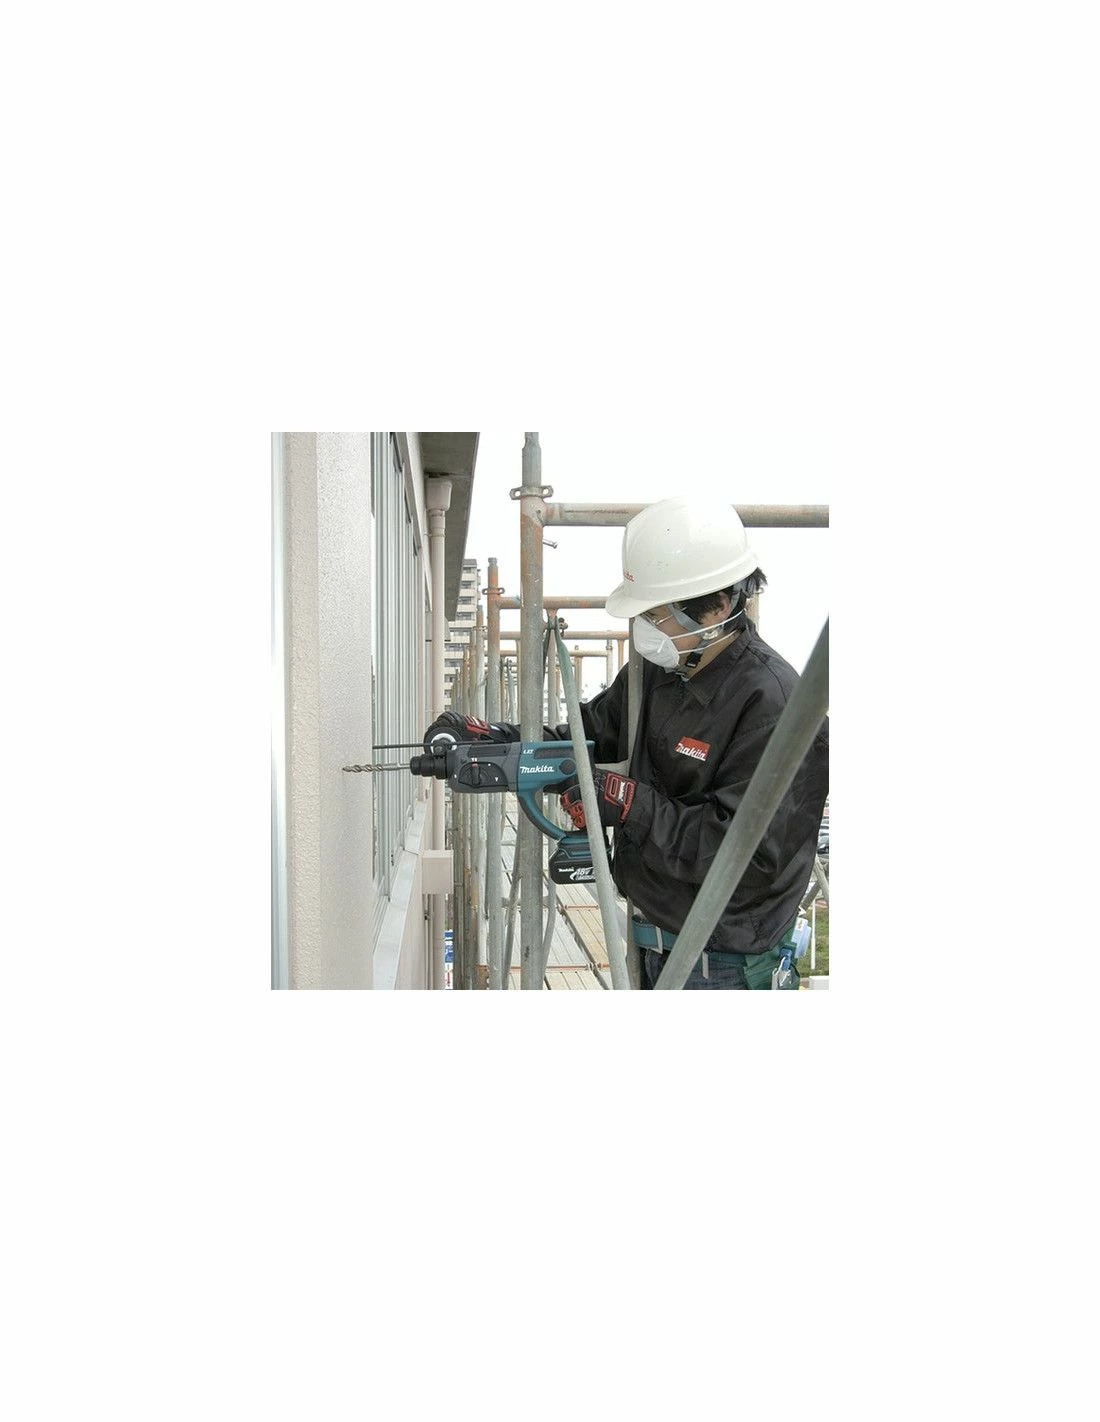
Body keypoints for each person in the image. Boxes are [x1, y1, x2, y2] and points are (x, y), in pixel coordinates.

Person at [423, 496, 829, 990]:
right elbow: (583, 738)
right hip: (649, 942)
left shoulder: (775, 706)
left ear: (719, 606)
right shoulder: (657, 673)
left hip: (722, 968)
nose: (644, 631)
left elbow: (745, 855)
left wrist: (629, 804)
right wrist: (494, 741)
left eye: (657, 615)